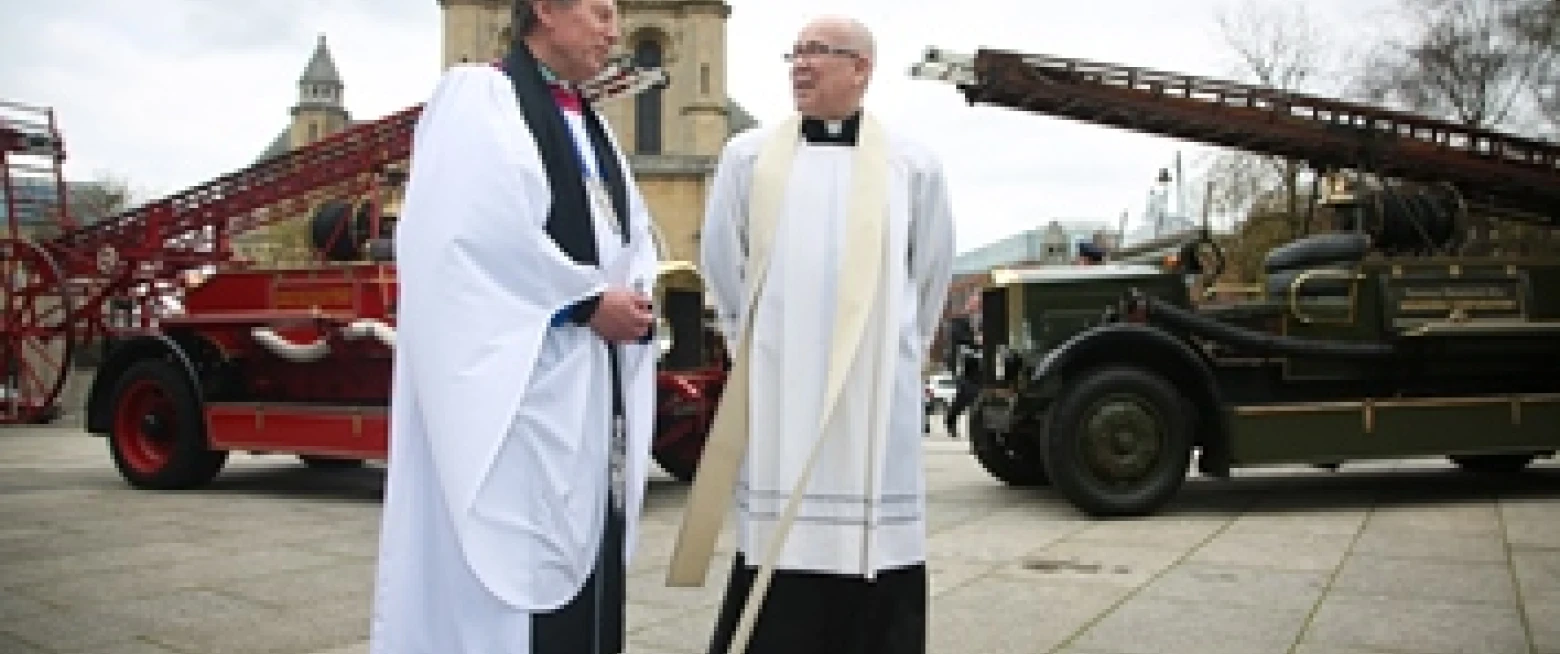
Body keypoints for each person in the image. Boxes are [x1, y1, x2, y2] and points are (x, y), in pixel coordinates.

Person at [369, 0, 661, 652]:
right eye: (601, 11)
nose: (614, 29)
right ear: (549, 11)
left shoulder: (591, 123)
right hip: (519, 393)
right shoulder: (479, 99)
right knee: (518, 577)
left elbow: (631, 235)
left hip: (589, 388)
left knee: (587, 562)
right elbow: (462, 237)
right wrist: (585, 301)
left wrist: (636, 296)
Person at [690, 14, 956, 654]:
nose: (800, 65)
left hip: (872, 392)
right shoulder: (746, 156)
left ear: (861, 69)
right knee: (782, 540)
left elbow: (932, 270)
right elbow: (724, 263)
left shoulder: (911, 165)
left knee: (873, 544)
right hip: (781, 385)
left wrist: (897, 352)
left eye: (819, 53)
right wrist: (756, 342)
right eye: (797, 52)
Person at [942, 291, 981, 438]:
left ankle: (975, 431)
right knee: (965, 393)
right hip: (960, 363)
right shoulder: (958, 321)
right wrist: (975, 341)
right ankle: (951, 419)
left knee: (975, 395)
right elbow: (958, 338)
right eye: (975, 302)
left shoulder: (982, 320)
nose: (977, 306)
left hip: (977, 363)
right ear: (969, 303)